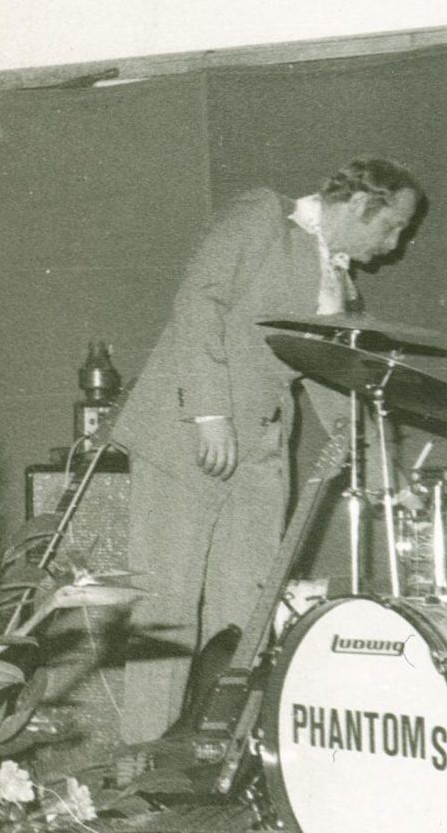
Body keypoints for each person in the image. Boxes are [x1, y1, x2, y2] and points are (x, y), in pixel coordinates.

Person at [114, 157, 425, 744]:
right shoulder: (263, 215)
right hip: (189, 434)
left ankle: (216, 758)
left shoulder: (340, 284)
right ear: (360, 204)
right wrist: (211, 412)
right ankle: (139, 776)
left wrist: (392, 479)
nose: (396, 244)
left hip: (261, 451)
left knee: (247, 614)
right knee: (166, 613)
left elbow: (339, 389)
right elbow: (197, 302)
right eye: (392, 227)